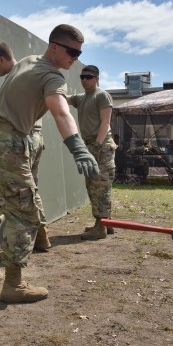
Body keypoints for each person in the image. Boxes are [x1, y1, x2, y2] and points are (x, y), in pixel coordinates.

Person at [0, 24, 99, 303]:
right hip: (9, 145)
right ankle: (13, 285)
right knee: (25, 213)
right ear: (54, 47)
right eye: (71, 51)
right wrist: (79, 149)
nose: (75, 58)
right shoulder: (53, 77)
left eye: (79, 53)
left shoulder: (28, 62)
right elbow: (61, 112)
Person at [0, 42, 51, 257]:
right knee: (31, 189)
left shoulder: (19, 75)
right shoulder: (25, 72)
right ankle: (41, 235)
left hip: (23, 138)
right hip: (34, 137)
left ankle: (18, 246)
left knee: (17, 194)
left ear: (2, 59)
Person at [67, 65, 116, 240]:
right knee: (94, 184)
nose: (84, 80)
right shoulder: (82, 98)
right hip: (91, 145)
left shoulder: (101, 95)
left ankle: (100, 227)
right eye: (82, 77)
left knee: (99, 186)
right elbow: (63, 100)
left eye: (88, 77)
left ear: (96, 78)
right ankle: (106, 224)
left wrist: (96, 145)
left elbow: (106, 122)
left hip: (101, 146)